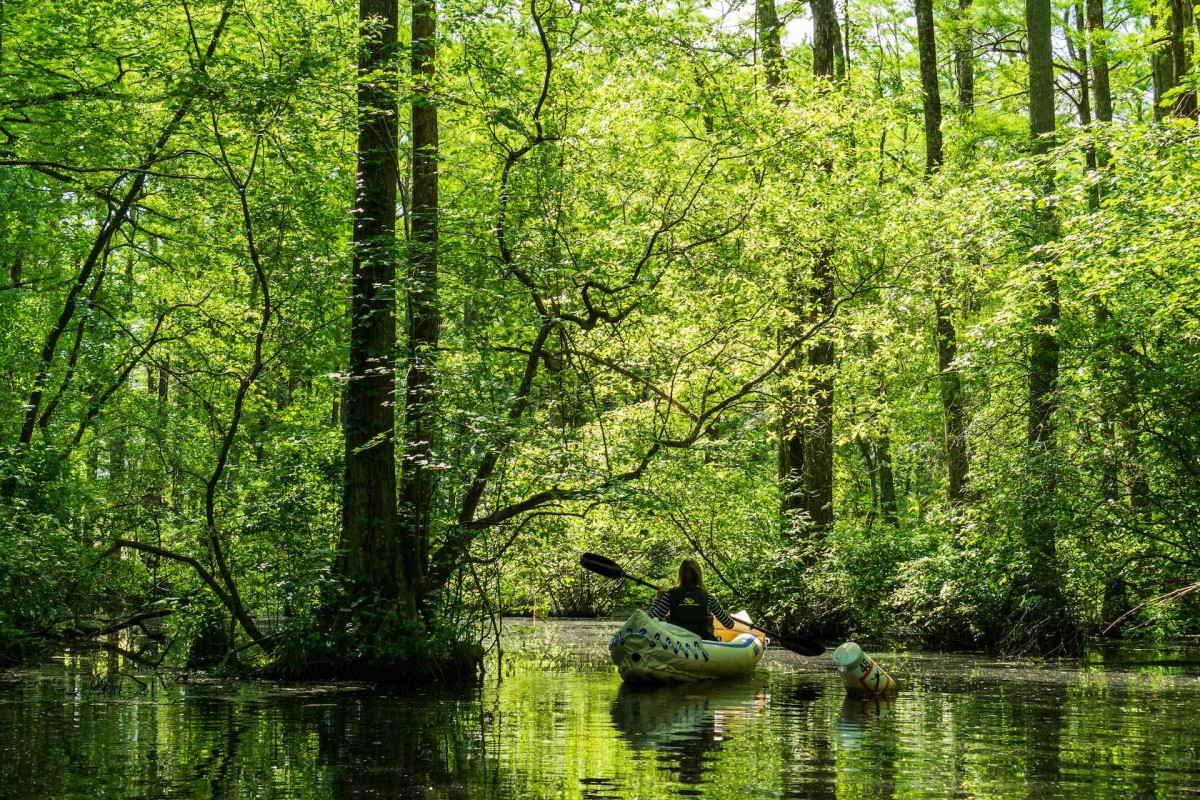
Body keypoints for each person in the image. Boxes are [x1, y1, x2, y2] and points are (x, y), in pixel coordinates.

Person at [647, 558, 736, 640]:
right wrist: (727, 615)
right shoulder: (709, 597)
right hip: (703, 642)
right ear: (699, 575)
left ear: (680, 575)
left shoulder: (670, 595)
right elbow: (729, 624)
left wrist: (658, 599)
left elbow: (650, 620)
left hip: (677, 642)